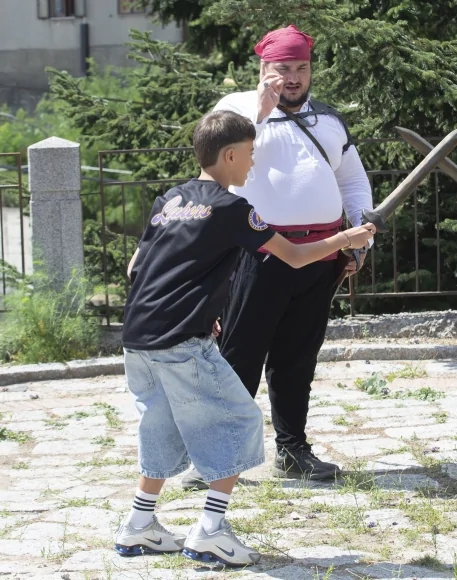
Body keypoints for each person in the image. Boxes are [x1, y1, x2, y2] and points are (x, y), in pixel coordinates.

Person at [113, 110, 375, 565]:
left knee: (162, 424)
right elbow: (293, 256)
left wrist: (198, 304)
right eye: (250, 155)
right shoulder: (232, 208)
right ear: (230, 154)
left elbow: (137, 267)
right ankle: (211, 530)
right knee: (238, 422)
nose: (252, 165)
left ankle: (140, 524)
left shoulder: (169, 200)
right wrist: (344, 238)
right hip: (180, 340)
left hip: (138, 335)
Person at [177, 24, 374, 487]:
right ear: (263, 69)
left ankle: (292, 450)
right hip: (258, 253)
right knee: (237, 356)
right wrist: (260, 114)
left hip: (322, 253)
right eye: (282, 69)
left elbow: (352, 182)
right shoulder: (234, 112)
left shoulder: (328, 121)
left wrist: (360, 238)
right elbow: (220, 172)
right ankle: (214, 457)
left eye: (301, 68)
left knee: (297, 356)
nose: (293, 78)